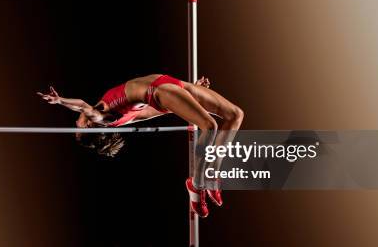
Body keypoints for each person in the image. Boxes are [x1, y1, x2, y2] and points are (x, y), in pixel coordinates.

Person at [38, 74, 244, 217]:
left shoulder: (124, 117)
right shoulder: (102, 117)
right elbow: (82, 105)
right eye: (78, 126)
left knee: (235, 115)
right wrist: (60, 101)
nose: (77, 122)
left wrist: (190, 97)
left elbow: (161, 109)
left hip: (174, 85)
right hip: (164, 88)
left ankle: (212, 176)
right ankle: (197, 185)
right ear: (90, 127)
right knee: (209, 126)